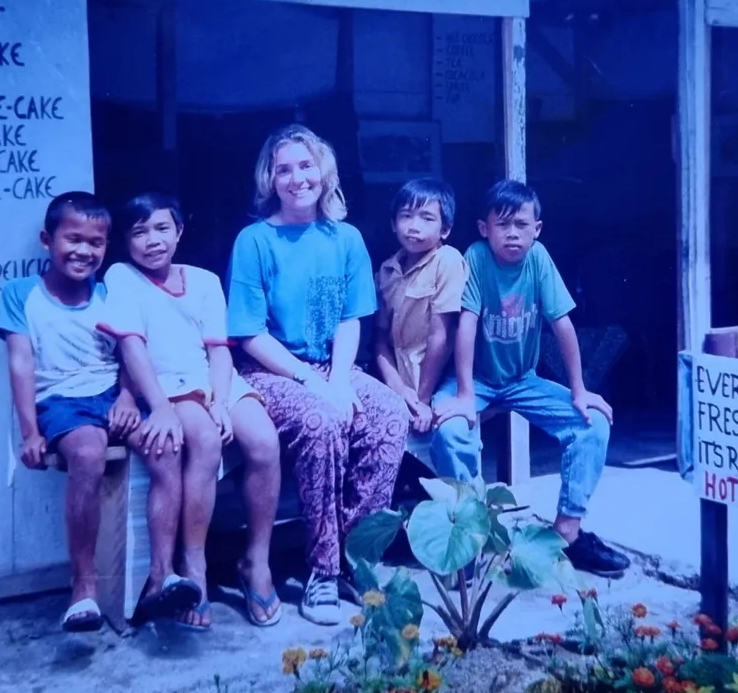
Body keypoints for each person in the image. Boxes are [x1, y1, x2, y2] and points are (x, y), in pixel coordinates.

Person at [226, 124, 409, 626]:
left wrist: (342, 380)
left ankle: (357, 557)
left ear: (323, 172)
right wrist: (314, 384)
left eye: (305, 166)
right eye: (283, 169)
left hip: (334, 366)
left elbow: (352, 319)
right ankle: (323, 568)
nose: (296, 178)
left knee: (391, 415)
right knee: (320, 421)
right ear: (270, 178)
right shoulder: (255, 241)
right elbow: (248, 333)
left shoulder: (345, 238)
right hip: (270, 370)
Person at [0, 192, 200, 633]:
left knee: (167, 444)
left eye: (96, 243)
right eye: (74, 240)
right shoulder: (21, 294)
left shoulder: (111, 292)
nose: (84, 251)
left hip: (111, 395)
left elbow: (130, 349)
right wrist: (30, 431)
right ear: (47, 240)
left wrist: (127, 398)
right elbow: (21, 364)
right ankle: (83, 586)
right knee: (87, 453)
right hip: (63, 404)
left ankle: (161, 576)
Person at [98, 192, 283, 630]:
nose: (152, 240)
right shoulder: (122, 277)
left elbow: (219, 352)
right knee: (202, 438)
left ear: (180, 231)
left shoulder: (203, 281)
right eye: (139, 232)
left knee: (263, 441)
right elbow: (132, 347)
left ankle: (257, 562)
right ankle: (193, 566)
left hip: (211, 379)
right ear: (126, 242)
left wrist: (220, 401)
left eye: (162, 228)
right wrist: (159, 406)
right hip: (163, 384)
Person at [432, 179, 632, 577]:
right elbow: (466, 326)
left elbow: (562, 325)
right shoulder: (475, 257)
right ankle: (471, 538)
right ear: (483, 228)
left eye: (521, 225)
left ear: (536, 229)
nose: (512, 233)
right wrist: (467, 394)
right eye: (502, 224)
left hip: (523, 379)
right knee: (450, 430)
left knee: (590, 424)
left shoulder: (538, 259)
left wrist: (579, 390)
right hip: (476, 379)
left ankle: (568, 533)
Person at [374, 178, 467, 434]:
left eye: (427, 218)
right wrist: (397, 387)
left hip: (438, 381)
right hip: (399, 381)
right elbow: (380, 339)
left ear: (445, 229)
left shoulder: (447, 261)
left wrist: (422, 399)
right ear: (394, 223)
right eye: (406, 216)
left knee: (452, 433)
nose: (414, 226)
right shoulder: (386, 271)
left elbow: (442, 336)